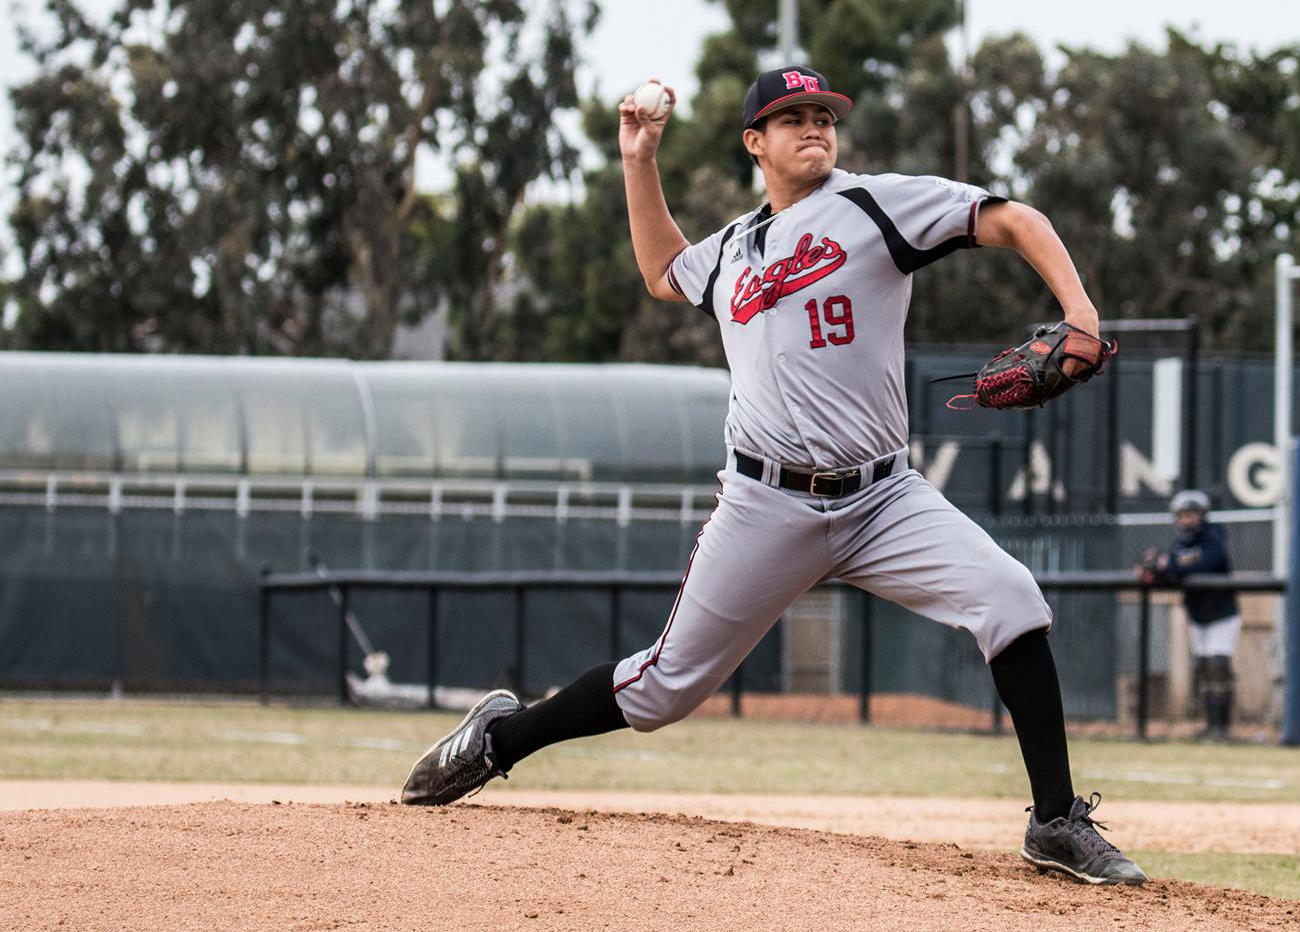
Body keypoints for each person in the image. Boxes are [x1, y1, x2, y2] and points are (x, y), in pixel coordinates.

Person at [398, 65, 1145, 885]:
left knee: (1010, 599)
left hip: (883, 497)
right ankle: (498, 741)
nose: (814, 126)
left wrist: (1080, 314)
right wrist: (638, 160)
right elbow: (662, 271)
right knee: (661, 691)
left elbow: (1013, 218)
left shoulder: (876, 205)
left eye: (823, 115)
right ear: (754, 142)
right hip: (765, 503)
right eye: (792, 118)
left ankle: (1054, 821)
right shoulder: (730, 250)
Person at [1136, 489, 1238, 740]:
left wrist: (1169, 566)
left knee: (1218, 666)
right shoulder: (1179, 545)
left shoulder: (1214, 536)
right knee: (1203, 667)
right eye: (1182, 515)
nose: (1187, 520)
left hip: (1222, 614)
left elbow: (1205, 563)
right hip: (1198, 615)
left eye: (1191, 514)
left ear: (1202, 515)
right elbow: (1172, 570)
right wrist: (1156, 568)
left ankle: (1222, 727)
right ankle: (1209, 725)